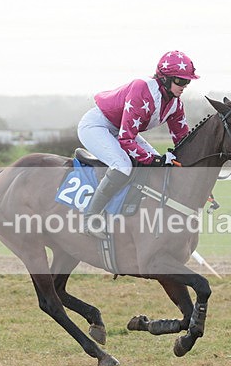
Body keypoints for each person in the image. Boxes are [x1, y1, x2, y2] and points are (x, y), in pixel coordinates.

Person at [77, 50, 199, 238]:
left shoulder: (176, 104)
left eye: (187, 82)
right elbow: (126, 139)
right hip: (97, 126)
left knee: (158, 166)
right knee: (123, 166)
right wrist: (154, 160)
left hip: (119, 128)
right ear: (164, 79)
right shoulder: (142, 89)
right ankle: (90, 219)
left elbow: (183, 141)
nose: (184, 86)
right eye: (180, 81)